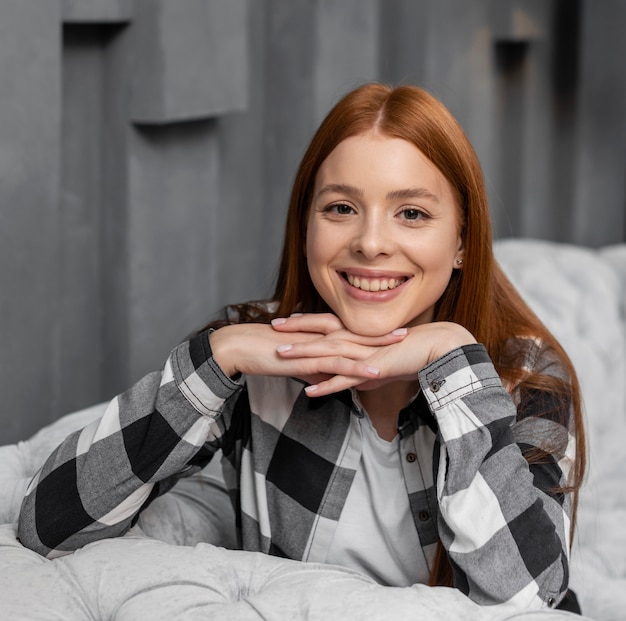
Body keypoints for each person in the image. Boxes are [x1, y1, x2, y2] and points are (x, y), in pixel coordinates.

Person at [18, 83, 585, 613]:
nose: (369, 242)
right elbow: (49, 525)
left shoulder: (524, 379)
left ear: (462, 241)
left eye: (411, 213)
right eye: (341, 208)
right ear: (306, 224)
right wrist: (219, 356)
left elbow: (535, 599)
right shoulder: (255, 359)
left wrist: (454, 363)